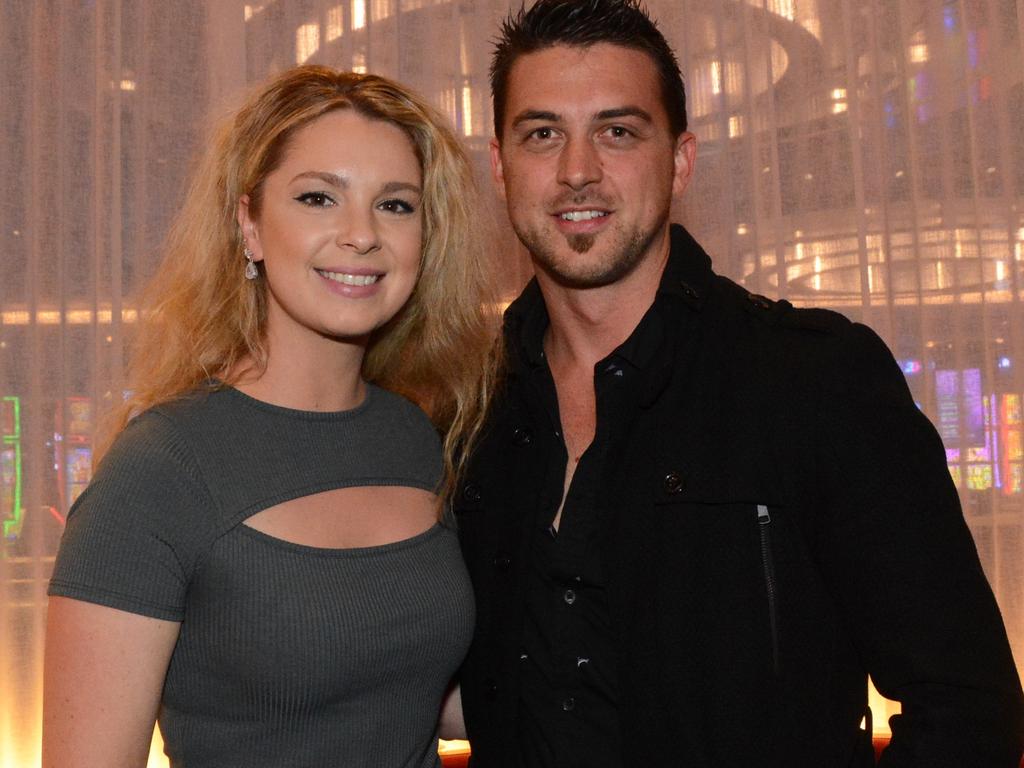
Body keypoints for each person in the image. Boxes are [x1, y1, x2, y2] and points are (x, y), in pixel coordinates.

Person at [454, 1, 1024, 766]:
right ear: (499, 165)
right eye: (542, 133)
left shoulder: (813, 380)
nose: (577, 169)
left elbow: (967, 709)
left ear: (681, 160)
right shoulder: (466, 413)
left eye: (618, 131)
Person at [43, 65, 498, 768]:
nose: (361, 236)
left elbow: (415, 692)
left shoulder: (418, 436)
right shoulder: (160, 470)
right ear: (249, 225)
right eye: (319, 198)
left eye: (396, 205)